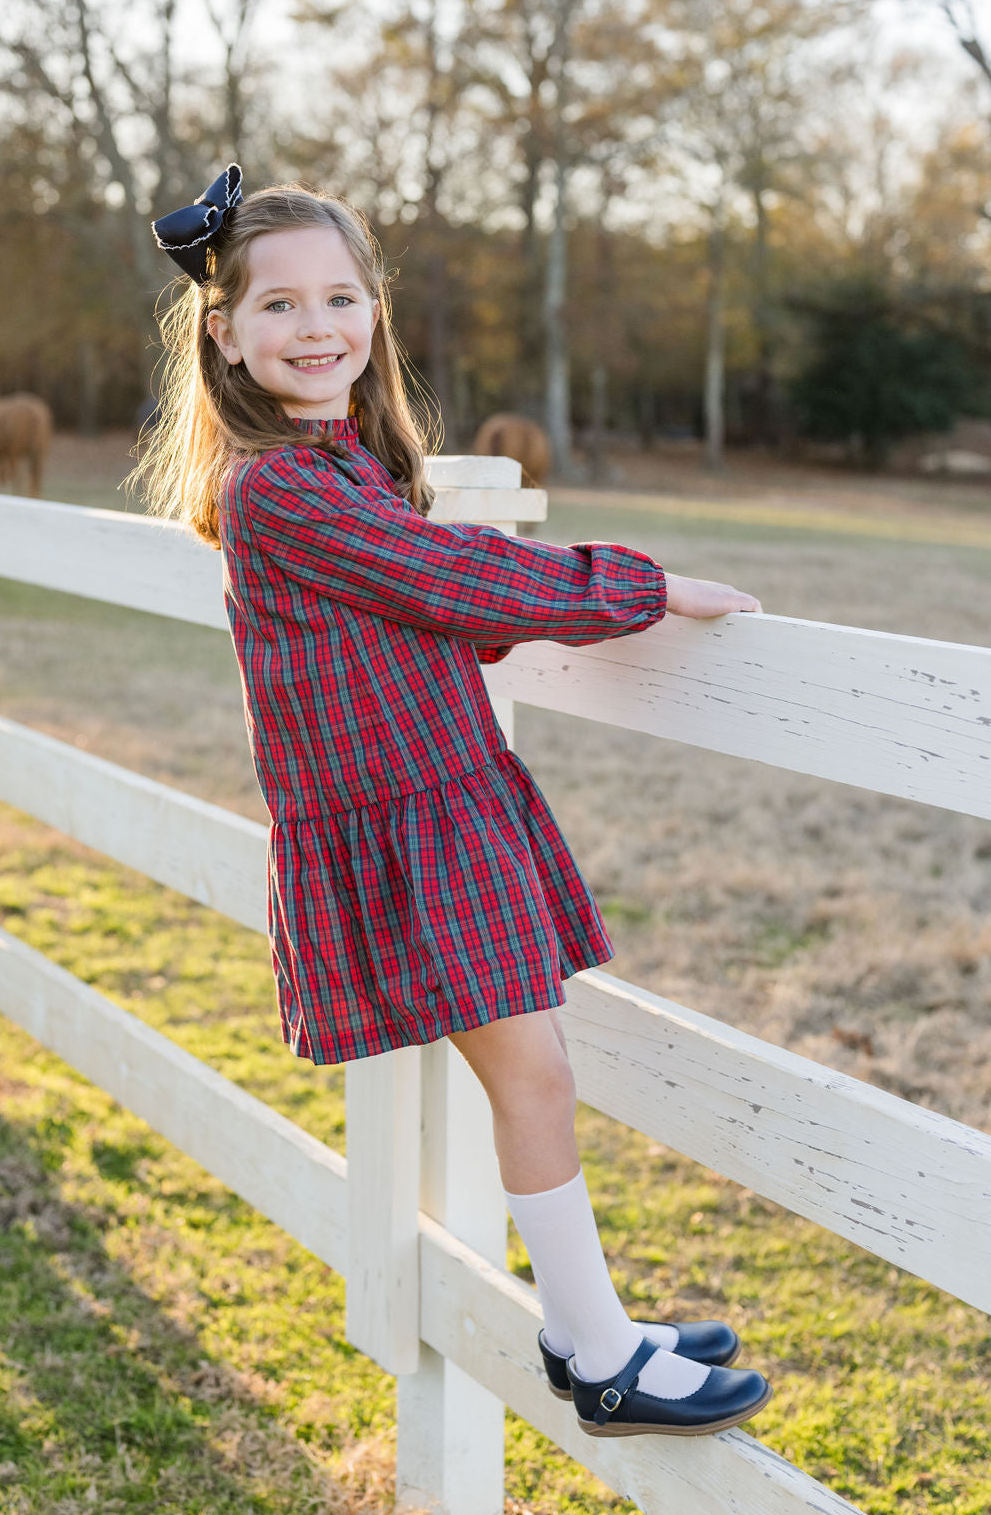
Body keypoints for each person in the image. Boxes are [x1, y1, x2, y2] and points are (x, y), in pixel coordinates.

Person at [140, 165, 771, 1438]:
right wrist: (649, 586)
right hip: (410, 828)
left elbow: (422, 613)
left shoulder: (344, 466)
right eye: (278, 307)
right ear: (223, 333)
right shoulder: (284, 489)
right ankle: (596, 1356)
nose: (317, 329)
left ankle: (590, 1322)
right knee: (534, 1073)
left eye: (341, 296)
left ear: (374, 307)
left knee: (532, 1067)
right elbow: (465, 584)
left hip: (440, 807)